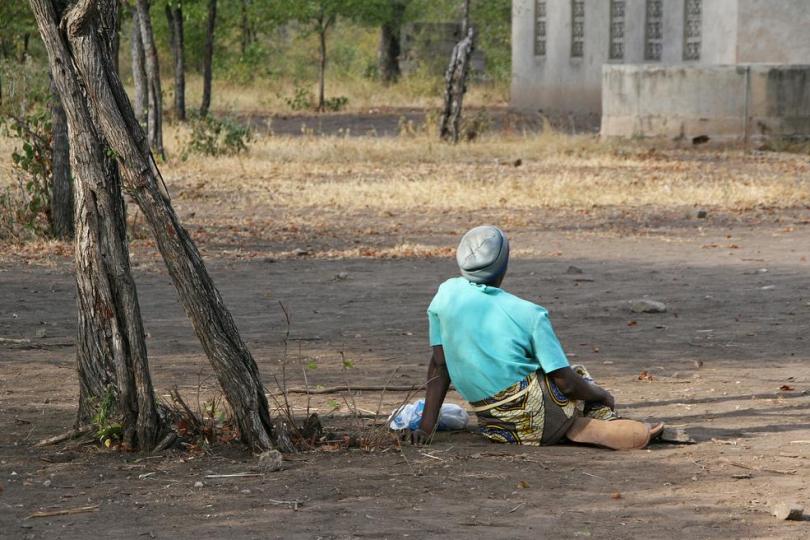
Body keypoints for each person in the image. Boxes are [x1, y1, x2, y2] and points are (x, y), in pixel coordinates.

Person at [410, 225, 663, 450]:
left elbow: (439, 363)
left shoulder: (444, 295)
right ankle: (590, 423)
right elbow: (566, 384)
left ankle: (573, 427)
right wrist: (601, 395)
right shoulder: (530, 314)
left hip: (499, 428)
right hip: (543, 412)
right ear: (504, 265)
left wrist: (426, 426)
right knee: (580, 376)